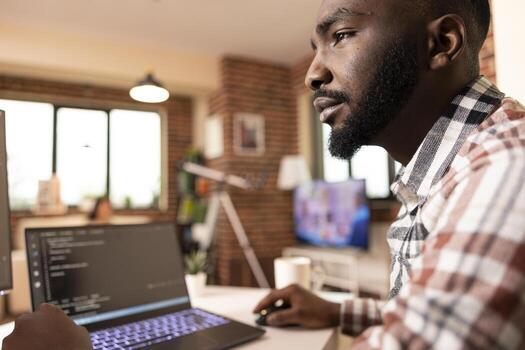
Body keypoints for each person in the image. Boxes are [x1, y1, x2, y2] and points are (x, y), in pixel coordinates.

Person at [3, 0, 524, 349]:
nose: (312, 73)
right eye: (316, 47)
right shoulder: (443, 173)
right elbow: (425, 319)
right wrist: (340, 311)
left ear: (442, 43)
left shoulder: (505, 168)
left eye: (340, 36)